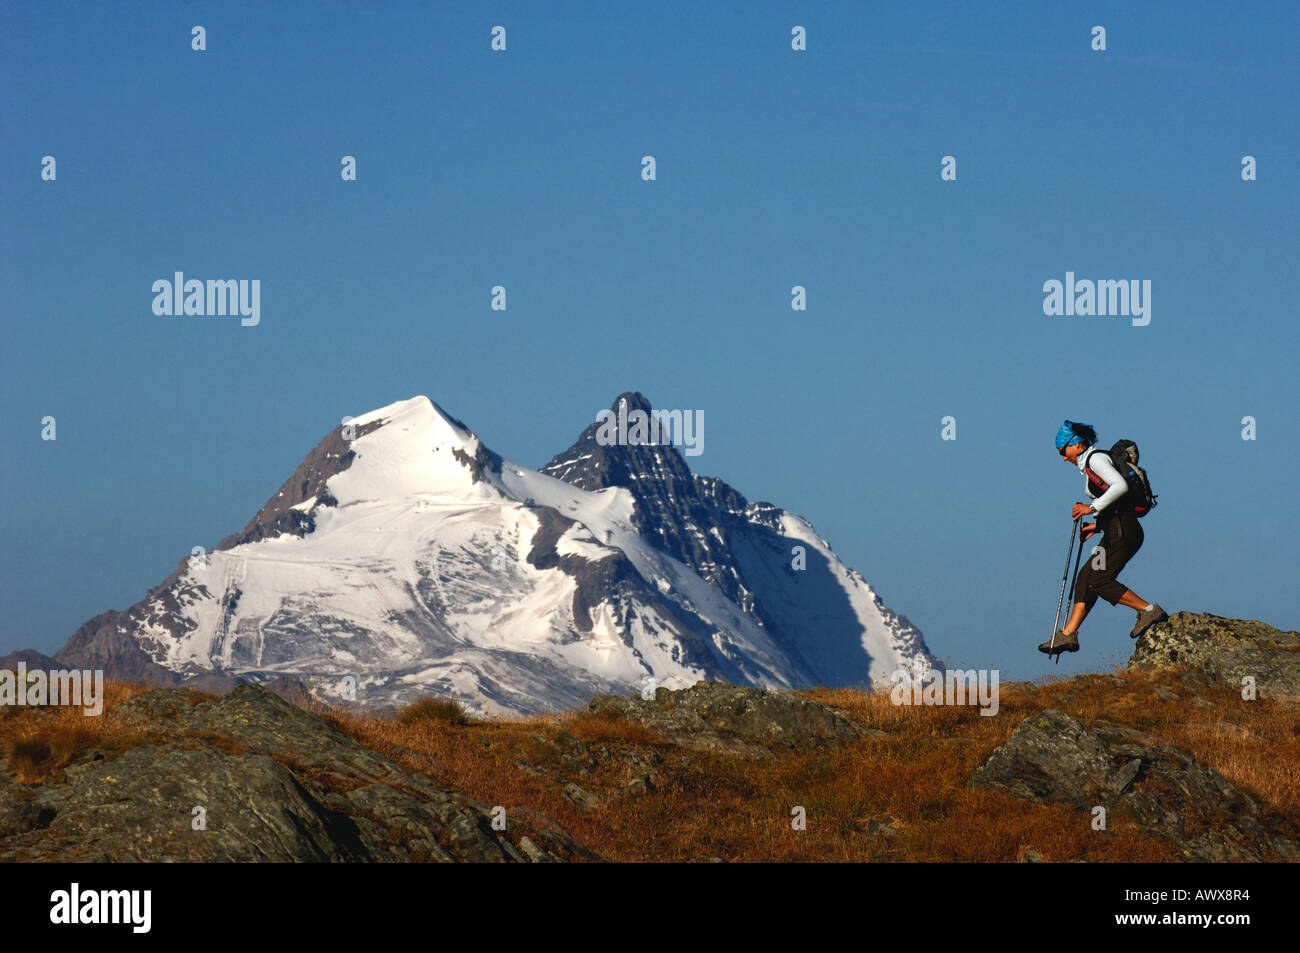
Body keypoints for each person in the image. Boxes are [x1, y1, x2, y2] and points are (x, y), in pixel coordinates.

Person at [1039, 421, 1167, 655]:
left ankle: (1149, 610)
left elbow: (1120, 487)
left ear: (1076, 445)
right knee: (1086, 577)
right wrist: (1095, 526)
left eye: (1062, 451)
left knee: (1099, 580)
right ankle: (1068, 635)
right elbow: (1116, 502)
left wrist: (1090, 507)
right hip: (1113, 531)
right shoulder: (1091, 462)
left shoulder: (1095, 459)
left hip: (1123, 534)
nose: (1062, 457)